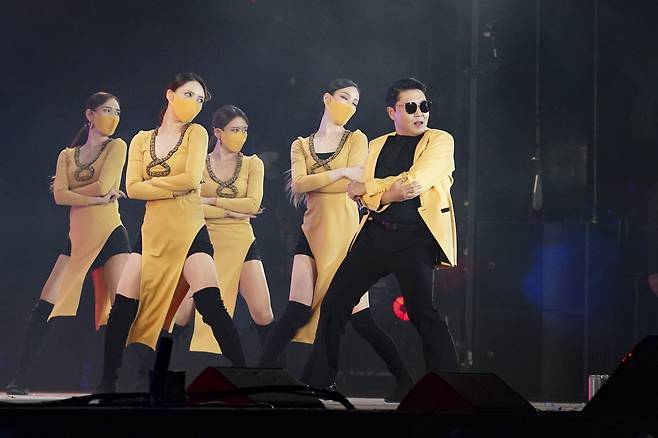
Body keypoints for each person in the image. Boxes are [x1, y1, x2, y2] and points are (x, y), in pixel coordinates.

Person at [302, 78, 459, 402]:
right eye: (411, 107)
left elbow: (415, 182)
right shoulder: (375, 145)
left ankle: (449, 386)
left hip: (415, 239)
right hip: (374, 235)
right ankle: (317, 384)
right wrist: (384, 192)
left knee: (421, 312)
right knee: (333, 304)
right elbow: (357, 192)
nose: (420, 113)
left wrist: (375, 189)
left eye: (424, 106)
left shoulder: (440, 140)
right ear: (392, 112)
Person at [259, 78, 412, 401]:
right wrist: (340, 174)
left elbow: (357, 177)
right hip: (311, 231)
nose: (350, 105)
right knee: (297, 309)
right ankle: (262, 374)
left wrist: (332, 178)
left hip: (344, 236)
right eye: (345, 97)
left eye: (355, 102)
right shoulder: (301, 144)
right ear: (327, 98)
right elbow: (299, 185)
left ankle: (404, 379)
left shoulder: (357, 139)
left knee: (361, 319)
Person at [96, 73, 245, 392]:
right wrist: (169, 187)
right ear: (169, 94)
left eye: (200, 99)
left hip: (190, 231)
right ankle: (108, 381)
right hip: (152, 234)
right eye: (189, 95)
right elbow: (131, 189)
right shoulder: (140, 139)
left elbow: (191, 179)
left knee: (210, 304)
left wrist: (154, 187)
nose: (195, 103)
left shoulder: (197, 133)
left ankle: (245, 374)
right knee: (122, 307)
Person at [6, 92, 130, 395]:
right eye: (106, 110)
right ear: (89, 115)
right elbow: (59, 195)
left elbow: (97, 185)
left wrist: (82, 192)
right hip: (78, 239)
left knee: (125, 309)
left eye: (116, 112)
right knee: (44, 307)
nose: (112, 116)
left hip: (110, 235)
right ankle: (21, 378)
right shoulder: (67, 155)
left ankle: (114, 380)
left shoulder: (117, 146)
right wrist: (97, 197)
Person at [173, 105, 274, 355]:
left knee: (262, 311)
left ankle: (272, 368)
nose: (240, 135)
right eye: (234, 130)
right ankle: (157, 372)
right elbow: (190, 206)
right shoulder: (198, 164)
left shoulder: (253, 164)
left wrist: (212, 202)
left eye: (244, 130)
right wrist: (232, 211)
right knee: (182, 312)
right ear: (218, 132)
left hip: (242, 239)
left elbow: (253, 205)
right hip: (203, 240)